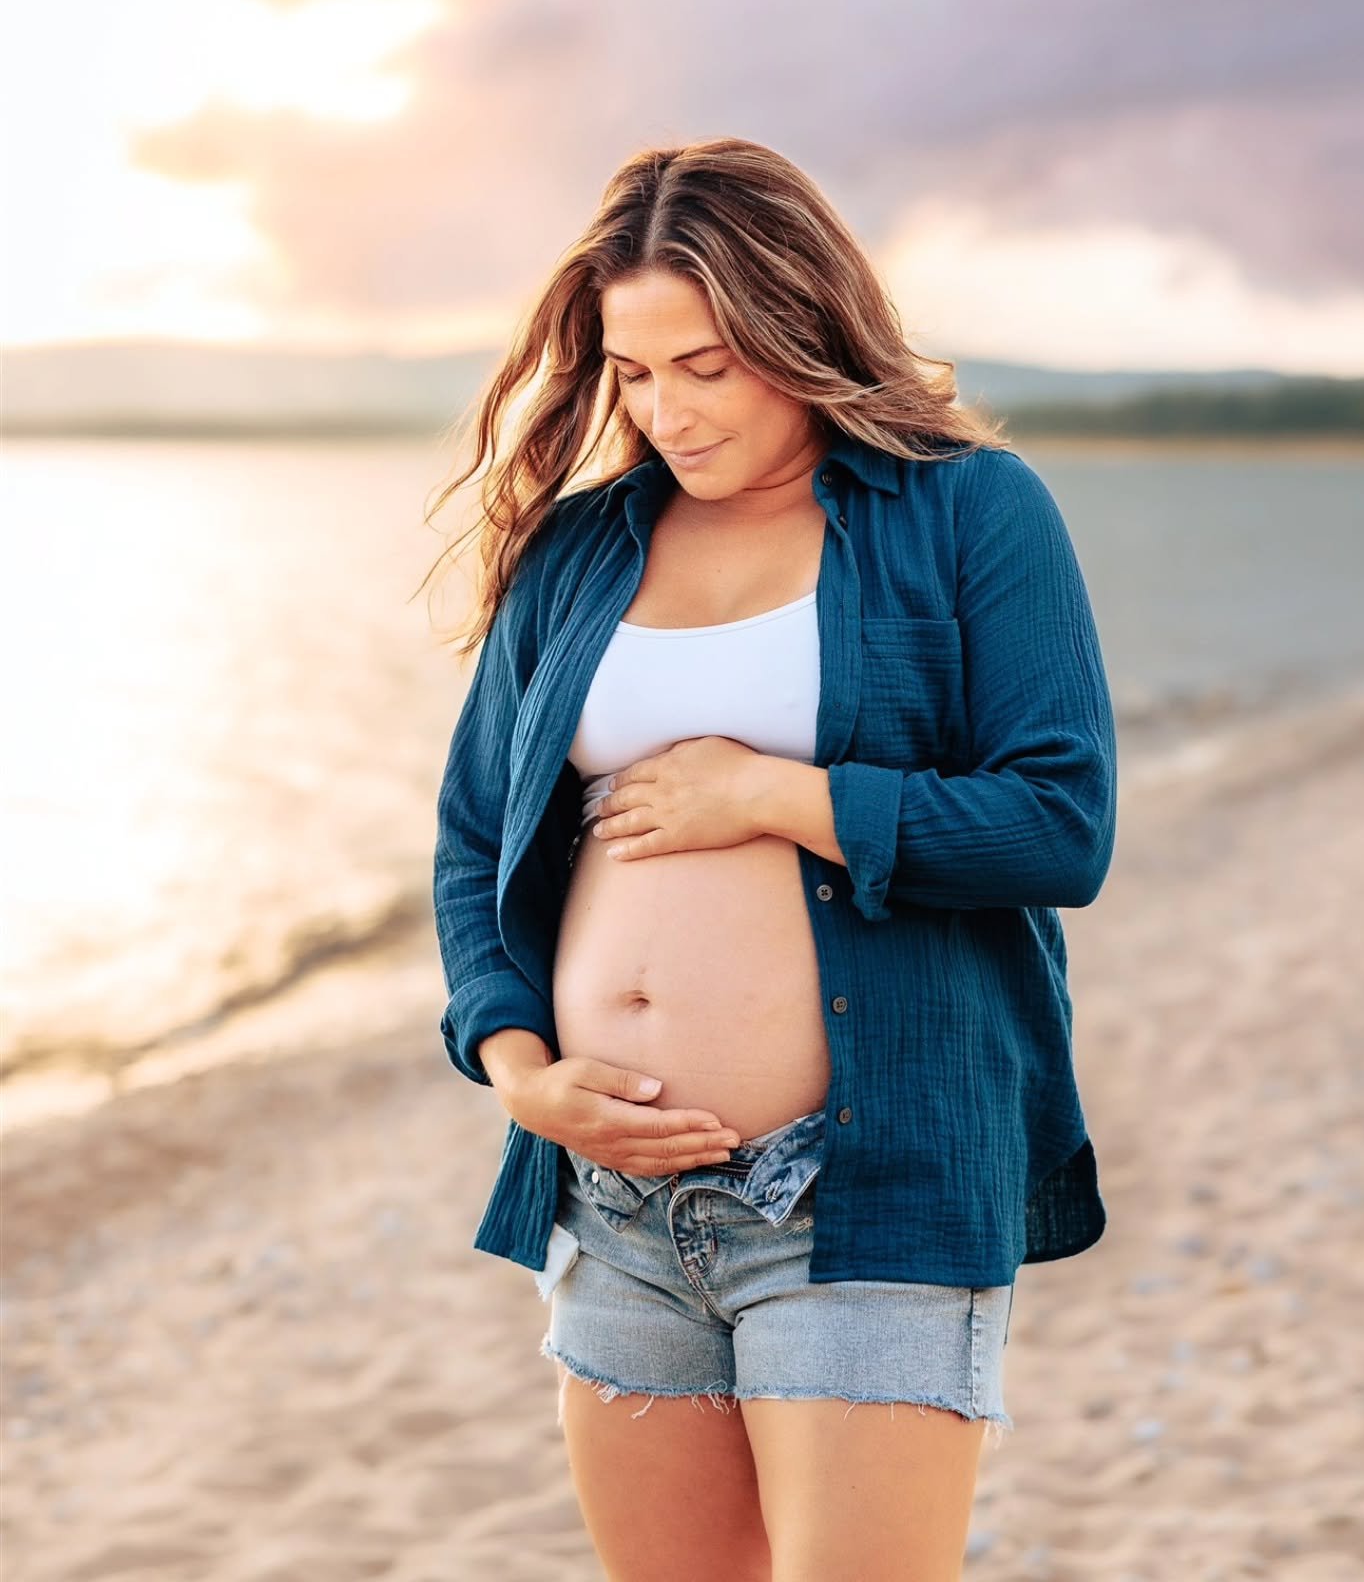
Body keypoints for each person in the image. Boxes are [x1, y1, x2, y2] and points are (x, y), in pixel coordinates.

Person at [424, 136, 1118, 1581]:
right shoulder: (580, 551)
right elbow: (475, 840)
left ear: (799, 324)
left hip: (867, 1189)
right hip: (615, 1205)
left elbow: (1061, 823)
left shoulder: (971, 513)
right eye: (633, 371)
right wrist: (525, 1078)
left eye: (707, 367)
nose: (665, 409)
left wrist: (773, 796)